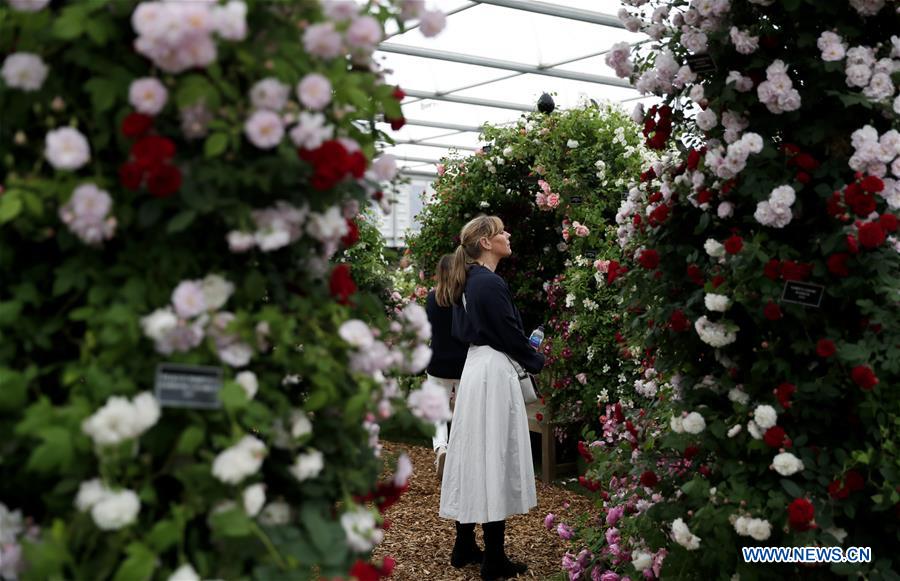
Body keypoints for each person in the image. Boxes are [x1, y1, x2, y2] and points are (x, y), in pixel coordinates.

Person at [438, 215, 545, 580]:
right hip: (494, 372)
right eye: (501, 231)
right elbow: (511, 334)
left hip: (474, 369)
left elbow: (460, 332)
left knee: (472, 451)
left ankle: (465, 544)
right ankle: (494, 558)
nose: (507, 235)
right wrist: (536, 359)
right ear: (486, 242)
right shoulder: (490, 283)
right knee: (495, 453)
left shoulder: (467, 280)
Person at [425, 254, 469, 482]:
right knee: (463, 413)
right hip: (462, 364)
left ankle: (441, 447)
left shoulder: (432, 299)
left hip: (437, 364)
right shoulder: (463, 299)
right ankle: (461, 457)